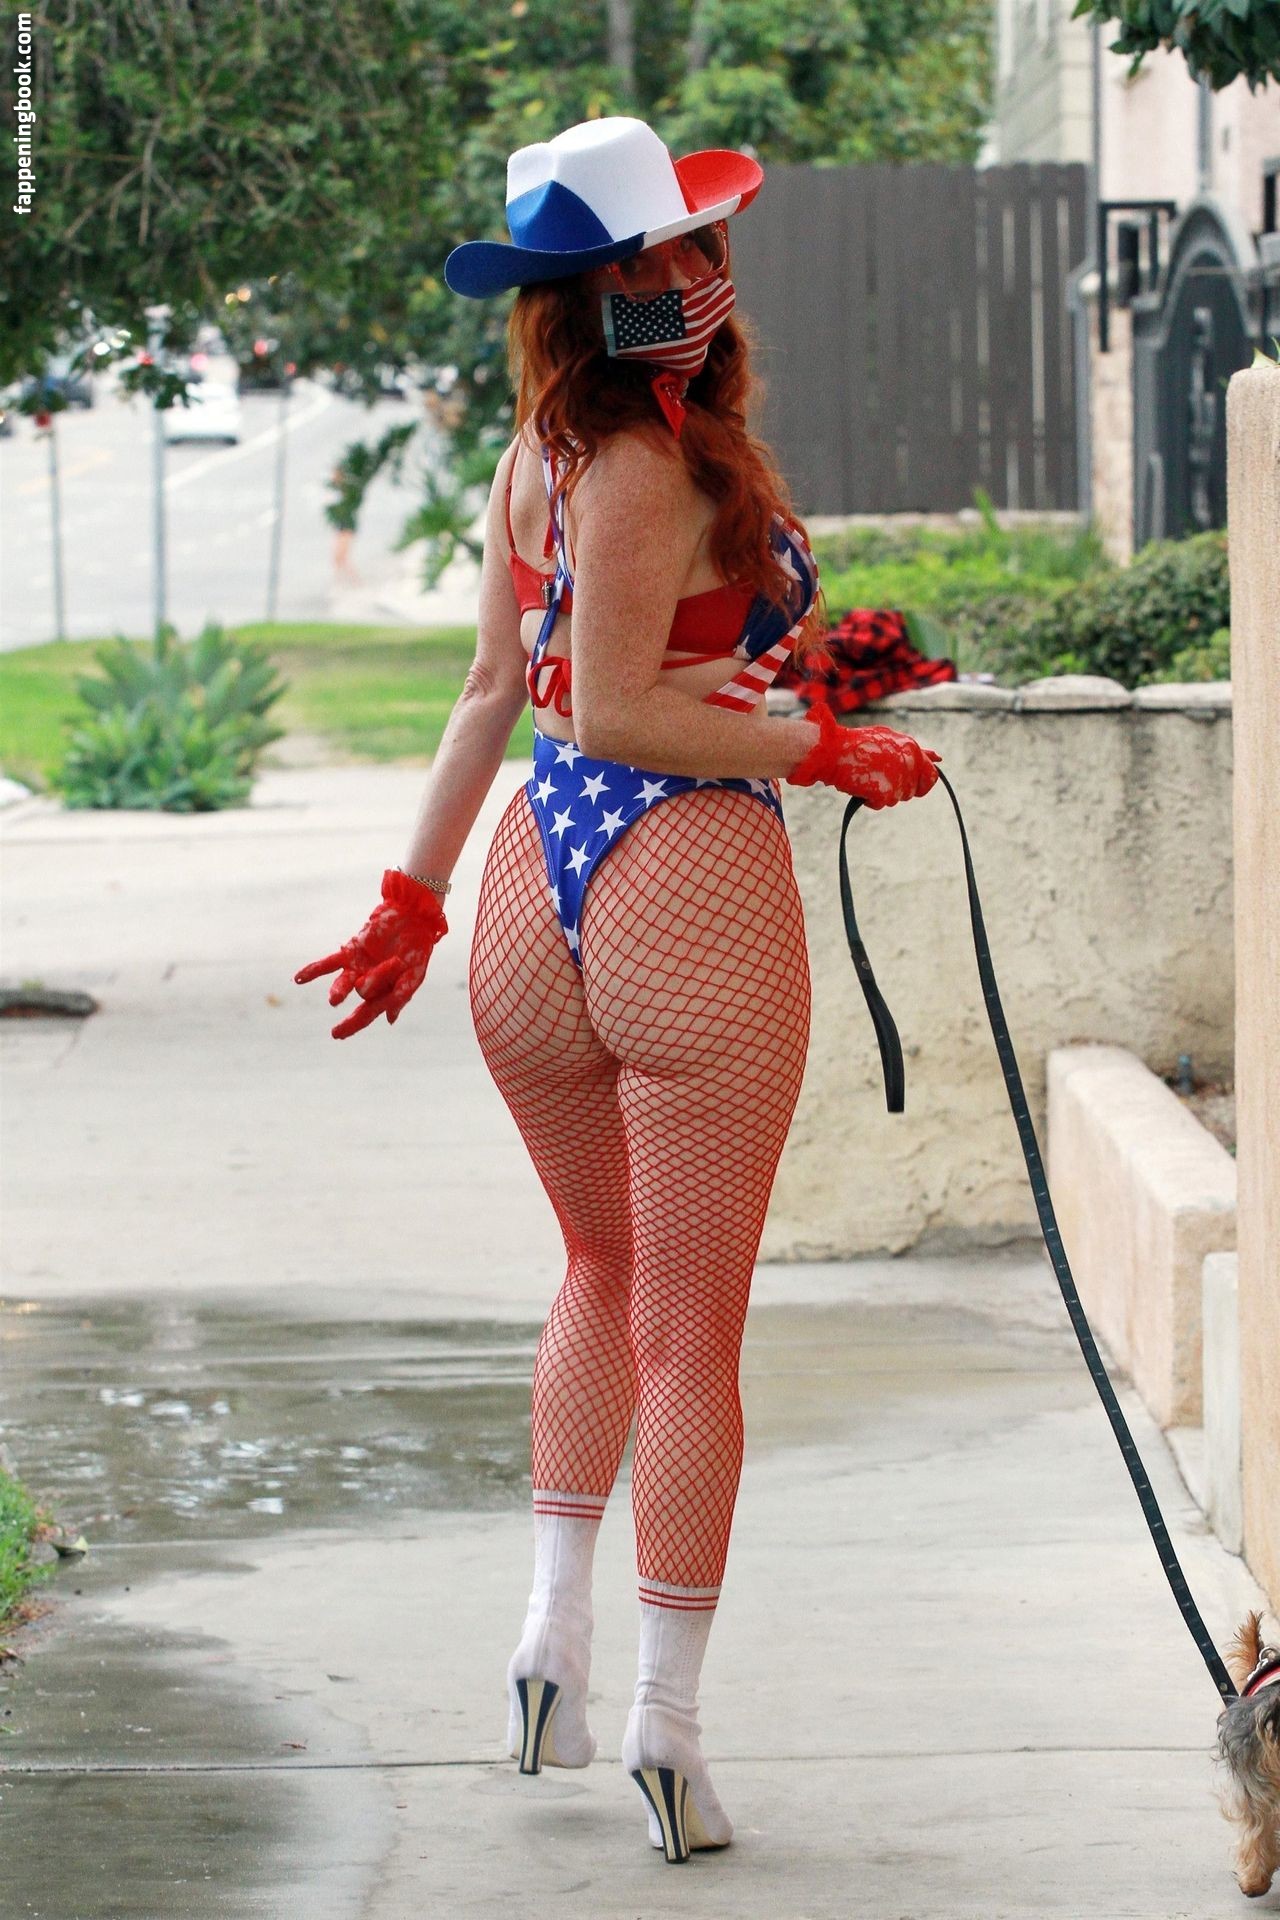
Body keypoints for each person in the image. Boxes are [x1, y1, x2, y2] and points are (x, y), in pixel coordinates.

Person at [294, 114, 941, 1864]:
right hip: (680, 880)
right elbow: (613, 704)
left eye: (695, 247)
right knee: (689, 1332)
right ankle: (667, 1723)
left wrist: (416, 895)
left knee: (597, 1268)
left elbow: (493, 691)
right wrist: (820, 748)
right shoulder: (647, 462)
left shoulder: (540, 454)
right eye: (660, 257)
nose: (695, 275)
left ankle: (548, 1643)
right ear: (599, 289)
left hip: (538, 889)